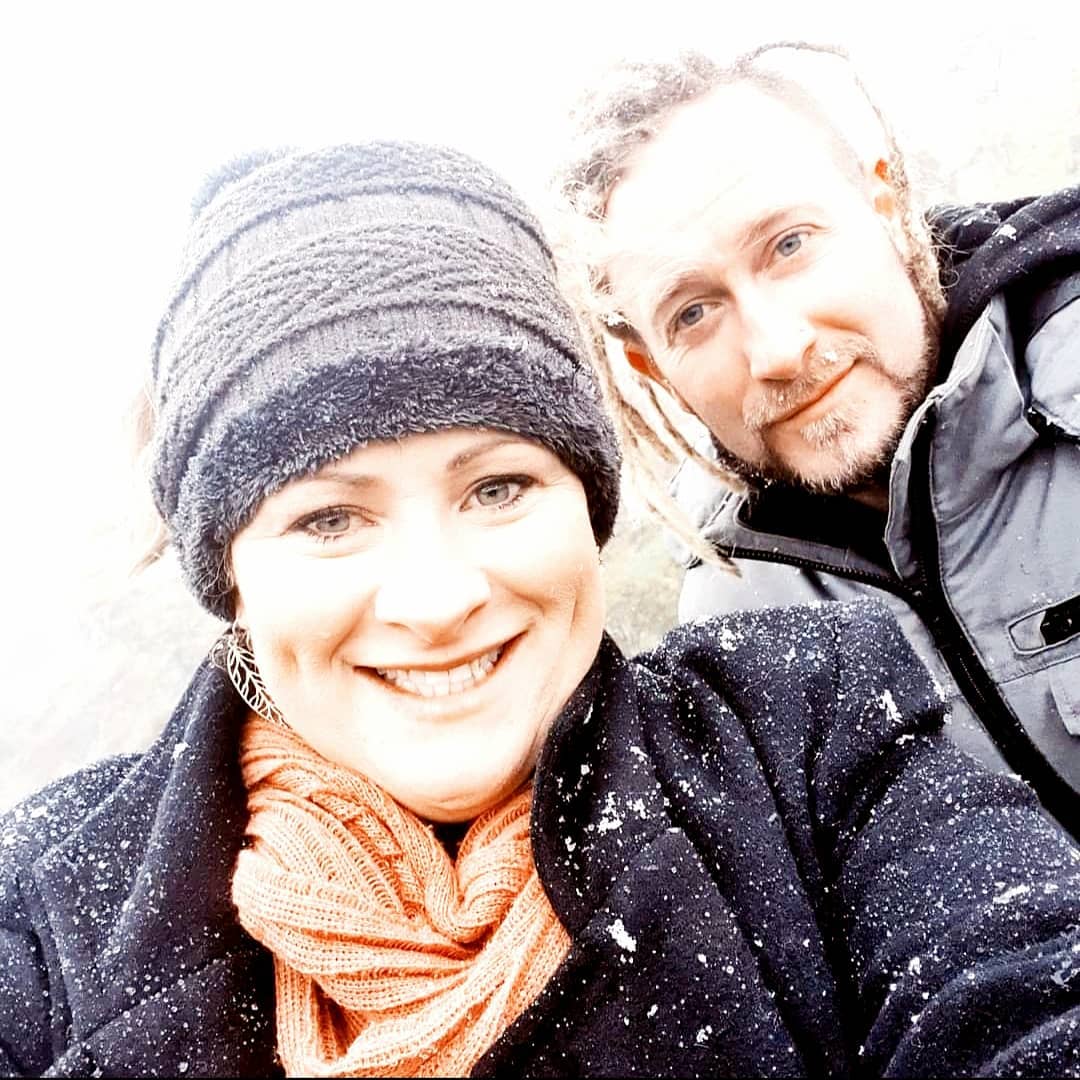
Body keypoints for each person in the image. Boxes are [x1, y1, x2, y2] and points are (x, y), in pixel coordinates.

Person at [3, 142, 1080, 1079]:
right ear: (228, 570)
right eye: (329, 519)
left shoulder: (806, 729)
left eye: (498, 488)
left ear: (587, 504)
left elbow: (1018, 985)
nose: (436, 600)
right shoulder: (43, 922)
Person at [551, 42, 1080, 836]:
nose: (776, 349)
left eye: (790, 244)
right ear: (652, 367)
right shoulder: (733, 639)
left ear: (883, 205)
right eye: (693, 313)